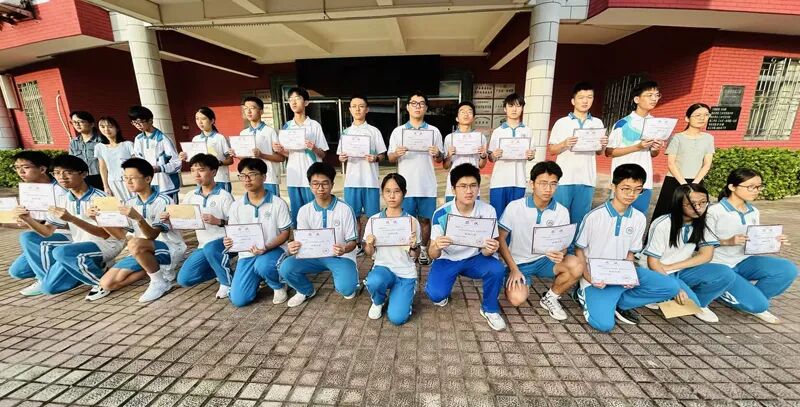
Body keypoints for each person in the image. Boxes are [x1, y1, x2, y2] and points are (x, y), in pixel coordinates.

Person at [574, 163, 680, 332]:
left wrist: (629, 277)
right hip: (597, 276)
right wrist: (588, 277)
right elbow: (579, 250)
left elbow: (630, 253)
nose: (631, 194)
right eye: (625, 189)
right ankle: (582, 293)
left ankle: (619, 302)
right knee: (604, 325)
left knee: (671, 287)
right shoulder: (594, 216)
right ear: (613, 186)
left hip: (621, 273)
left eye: (637, 190)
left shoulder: (639, 218)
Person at [17, 155, 124, 298]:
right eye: (56, 173)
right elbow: (47, 232)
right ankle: (91, 268)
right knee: (49, 288)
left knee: (61, 252)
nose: (61, 177)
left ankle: (101, 282)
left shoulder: (102, 198)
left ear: (83, 174)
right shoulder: (63, 199)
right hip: (79, 246)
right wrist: (28, 219)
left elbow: (107, 235)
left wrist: (72, 219)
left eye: (68, 172)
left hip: (107, 245)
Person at [708, 168, 798, 324]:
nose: (756, 191)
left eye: (758, 187)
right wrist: (727, 241)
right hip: (719, 265)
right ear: (732, 187)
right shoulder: (714, 211)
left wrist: (773, 240)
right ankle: (725, 292)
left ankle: (747, 297)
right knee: (759, 305)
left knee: (788, 269)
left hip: (744, 261)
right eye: (750, 187)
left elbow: (755, 239)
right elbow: (699, 243)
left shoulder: (753, 211)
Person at [499, 161, 584, 321]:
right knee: (516, 299)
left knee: (577, 265)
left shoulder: (561, 211)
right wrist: (513, 268)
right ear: (532, 184)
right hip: (519, 263)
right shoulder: (515, 207)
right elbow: (500, 238)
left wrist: (561, 253)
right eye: (543, 183)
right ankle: (514, 280)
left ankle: (551, 297)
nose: (548, 189)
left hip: (546, 260)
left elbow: (563, 243)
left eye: (553, 184)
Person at [425, 163, 506, 331]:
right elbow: (432, 254)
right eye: (463, 186)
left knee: (497, 269)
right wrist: (437, 246)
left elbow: (486, 251)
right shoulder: (441, 213)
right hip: (447, 259)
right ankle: (442, 285)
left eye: (473, 185)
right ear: (453, 189)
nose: (469, 191)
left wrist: (491, 248)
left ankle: (490, 309)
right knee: (436, 296)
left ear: (478, 188)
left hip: (474, 258)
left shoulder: (488, 211)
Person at [97, 158, 187, 302]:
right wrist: (99, 220)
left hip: (169, 248)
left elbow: (152, 235)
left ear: (148, 179)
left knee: (134, 243)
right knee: (107, 283)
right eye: (125, 178)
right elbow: (121, 236)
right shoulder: (129, 203)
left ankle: (159, 282)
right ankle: (152, 269)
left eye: (132, 178)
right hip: (140, 250)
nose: (128, 182)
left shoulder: (164, 201)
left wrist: (139, 218)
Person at [643, 184, 735, 322]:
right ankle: (657, 293)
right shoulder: (663, 223)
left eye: (703, 202)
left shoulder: (704, 222)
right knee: (687, 301)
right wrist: (673, 284)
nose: (698, 208)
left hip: (678, 270)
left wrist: (671, 267)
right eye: (692, 204)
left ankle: (699, 303)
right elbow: (653, 263)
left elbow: (706, 255)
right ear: (678, 203)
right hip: (656, 272)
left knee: (726, 273)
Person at [279, 162, 359, 307]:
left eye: (325, 183)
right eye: (315, 184)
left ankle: (348, 278)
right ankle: (305, 291)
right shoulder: (304, 211)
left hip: (340, 256)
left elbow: (353, 242)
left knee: (347, 290)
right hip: (313, 256)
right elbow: (303, 241)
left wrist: (344, 248)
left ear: (332, 184)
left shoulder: (345, 209)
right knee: (286, 267)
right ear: (310, 185)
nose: (320, 188)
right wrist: (294, 247)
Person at [387, 91, 445, 265]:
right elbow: (390, 158)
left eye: (421, 104)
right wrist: (396, 153)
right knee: (406, 221)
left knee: (425, 220)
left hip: (427, 184)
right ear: (407, 107)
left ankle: (424, 250)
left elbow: (440, 158)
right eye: (414, 103)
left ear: (426, 108)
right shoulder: (398, 131)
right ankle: (408, 250)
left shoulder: (434, 131)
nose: (417, 107)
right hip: (405, 186)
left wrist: (438, 153)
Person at [227, 158, 292, 307]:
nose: (247, 179)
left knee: (263, 265)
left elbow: (285, 233)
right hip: (247, 255)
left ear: (264, 177)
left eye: (252, 174)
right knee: (239, 300)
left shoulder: (278, 203)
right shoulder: (236, 206)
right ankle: (259, 278)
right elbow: (234, 233)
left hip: (273, 251)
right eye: (243, 175)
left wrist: (266, 247)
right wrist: (229, 241)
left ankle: (279, 285)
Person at [171, 154, 234, 299]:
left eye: (201, 170)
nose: (196, 174)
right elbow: (182, 219)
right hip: (203, 245)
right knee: (184, 279)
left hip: (225, 243)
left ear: (213, 172)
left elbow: (237, 225)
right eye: (193, 170)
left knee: (211, 248)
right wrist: (170, 218)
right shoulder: (190, 195)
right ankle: (224, 271)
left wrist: (219, 221)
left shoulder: (224, 196)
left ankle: (226, 282)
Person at [7, 151, 70, 295]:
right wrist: (18, 220)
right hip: (47, 235)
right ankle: (67, 270)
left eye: (25, 167)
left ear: (42, 169)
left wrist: (29, 221)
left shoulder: (59, 191)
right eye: (17, 168)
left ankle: (45, 279)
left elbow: (56, 226)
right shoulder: (29, 190)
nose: (21, 172)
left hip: (67, 235)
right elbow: (36, 221)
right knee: (17, 271)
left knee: (28, 237)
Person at [363, 173, 421, 325]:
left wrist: (414, 246)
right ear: (382, 193)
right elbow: (369, 253)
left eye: (397, 191)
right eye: (388, 191)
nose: (392, 196)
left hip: (405, 273)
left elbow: (416, 254)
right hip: (383, 269)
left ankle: (403, 293)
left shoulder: (412, 221)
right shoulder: (374, 220)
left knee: (397, 318)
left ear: (404, 193)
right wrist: (369, 245)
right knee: (374, 280)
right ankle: (378, 301)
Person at [548, 82, 607, 225]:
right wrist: (564, 143)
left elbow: (599, 152)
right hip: (565, 179)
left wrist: (603, 145)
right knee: (559, 218)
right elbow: (552, 150)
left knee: (580, 220)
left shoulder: (597, 123)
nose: (585, 101)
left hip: (587, 178)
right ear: (573, 101)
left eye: (589, 97)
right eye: (581, 97)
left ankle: (575, 241)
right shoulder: (562, 123)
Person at [605, 81, 667, 216]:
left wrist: (655, 149)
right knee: (618, 216)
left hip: (645, 182)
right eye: (649, 95)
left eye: (657, 95)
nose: (654, 98)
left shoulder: (656, 123)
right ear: (637, 99)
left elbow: (653, 154)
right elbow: (609, 152)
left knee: (639, 218)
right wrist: (637, 147)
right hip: (624, 180)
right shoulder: (623, 123)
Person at [273, 87, 329, 227]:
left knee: (314, 212)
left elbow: (323, 154)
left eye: (297, 98)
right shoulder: (287, 127)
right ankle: (300, 238)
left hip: (311, 176)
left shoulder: (314, 125)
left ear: (306, 102)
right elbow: (288, 154)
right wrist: (280, 150)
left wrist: (313, 148)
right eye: (290, 99)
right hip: (293, 177)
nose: (293, 102)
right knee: (297, 214)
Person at [337, 95, 387, 254]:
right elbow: (341, 155)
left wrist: (375, 158)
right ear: (350, 109)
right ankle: (357, 245)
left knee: (373, 217)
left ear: (367, 109)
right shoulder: (346, 132)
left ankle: (373, 246)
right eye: (354, 106)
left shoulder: (374, 131)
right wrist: (342, 158)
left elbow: (382, 155)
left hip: (370, 181)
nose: (357, 109)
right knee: (354, 217)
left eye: (361, 106)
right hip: (351, 182)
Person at [651, 103, 715, 219]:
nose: (702, 118)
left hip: (696, 182)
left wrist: (695, 183)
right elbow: (671, 164)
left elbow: (707, 164)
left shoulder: (708, 138)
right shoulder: (676, 137)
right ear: (687, 118)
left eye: (706, 115)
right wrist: (684, 185)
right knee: (666, 215)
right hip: (675, 181)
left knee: (693, 215)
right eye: (698, 115)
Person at [488, 93, 536, 219]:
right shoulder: (498, 132)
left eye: (518, 106)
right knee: (497, 217)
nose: (514, 109)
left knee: (515, 218)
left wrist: (531, 155)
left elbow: (531, 155)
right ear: (505, 109)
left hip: (519, 181)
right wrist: (493, 155)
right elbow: (490, 158)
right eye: (511, 106)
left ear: (522, 108)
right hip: (499, 181)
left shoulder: (528, 131)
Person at [129, 105, 182, 203]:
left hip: (166, 185)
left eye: (140, 122)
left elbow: (177, 163)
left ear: (150, 121)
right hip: (149, 185)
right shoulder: (138, 139)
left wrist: (159, 168)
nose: (137, 125)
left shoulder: (163, 139)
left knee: (171, 211)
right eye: (134, 122)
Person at [179, 107, 234, 192]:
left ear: (212, 121)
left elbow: (230, 160)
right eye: (197, 119)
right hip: (202, 179)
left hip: (220, 179)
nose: (200, 122)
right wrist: (186, 157)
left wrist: (217, 163)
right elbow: (194, 161)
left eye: (203, 119)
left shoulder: (220, 138)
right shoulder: (195, 139)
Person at [443, 101, 488, 202]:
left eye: (469, 112)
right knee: (452, 210)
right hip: (454, 183)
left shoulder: (480, 137)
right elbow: (445, 166)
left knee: (473, 210)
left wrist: (483, 156)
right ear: (457, 118)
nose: (466, 114)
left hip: (473, 183)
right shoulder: (450, 138)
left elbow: (481, 165)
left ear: (474, 117)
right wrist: (449, 155)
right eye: (462, 112)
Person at [239, 96, 284, 197]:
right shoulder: (243, 133)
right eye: (246, 108)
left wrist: (261, 155)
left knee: (272, 204)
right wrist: (237, 154)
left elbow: (281, 158)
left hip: (269, 178)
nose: (248, 111)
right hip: (251, 179)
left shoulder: (270, 131)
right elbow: (243, 159)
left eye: (252, 108)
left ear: (261, 111)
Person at [95, 116, 134, 201]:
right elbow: (103, 167)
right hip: (113, 182)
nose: (106, 129)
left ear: (117, 128)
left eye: (110, 126)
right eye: (102, 127)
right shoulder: (99, 147)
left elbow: (136, 164)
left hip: (130, 180)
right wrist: (106, 186)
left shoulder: (128, 144)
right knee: (120, 205)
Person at [68, 111, 107, 189]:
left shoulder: (102, 141)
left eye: (80, 122)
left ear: (91, 124)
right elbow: (72, 163)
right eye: (74, 122)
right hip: (82, 179)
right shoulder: (74, 142)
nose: (77, 124)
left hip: (101, 178)